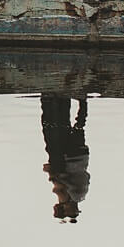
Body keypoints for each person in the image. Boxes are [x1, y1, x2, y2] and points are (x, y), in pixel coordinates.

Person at [40, 93, 90, 222]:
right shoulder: (77, 195)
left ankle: (66, 99)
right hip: (73, 155)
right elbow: (59, 179)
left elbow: (58, 178)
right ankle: (77, 99)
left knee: (72, 125)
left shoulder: (76, 195)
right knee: (76, 125)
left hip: (74, 156)